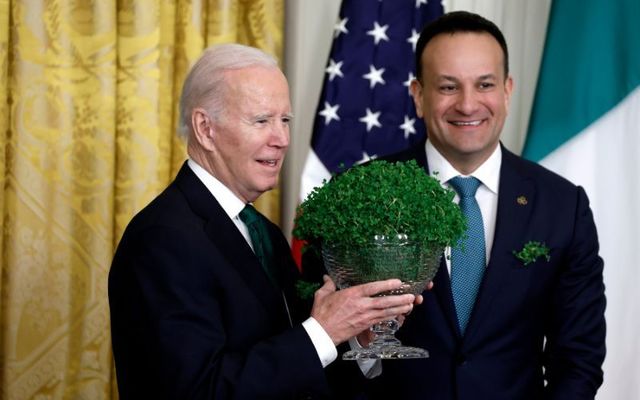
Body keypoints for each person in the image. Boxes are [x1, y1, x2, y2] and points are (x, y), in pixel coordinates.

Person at [108, 43, 418, 400]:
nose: (282, 140)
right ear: (205, 128)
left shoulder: (264, 233)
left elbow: (297, 368)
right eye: (261, 121)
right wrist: (322, 331)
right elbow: (195, 391)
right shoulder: (161, 239)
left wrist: (356, 336)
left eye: (285, 120)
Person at [363, 11, 606, 399]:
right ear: (418, 96)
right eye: (447, 87)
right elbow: (336, 351)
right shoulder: (364, 195)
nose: (468, 104)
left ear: (507, 91)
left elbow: (578, 358)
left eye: (485, 84)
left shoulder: (562, 205)